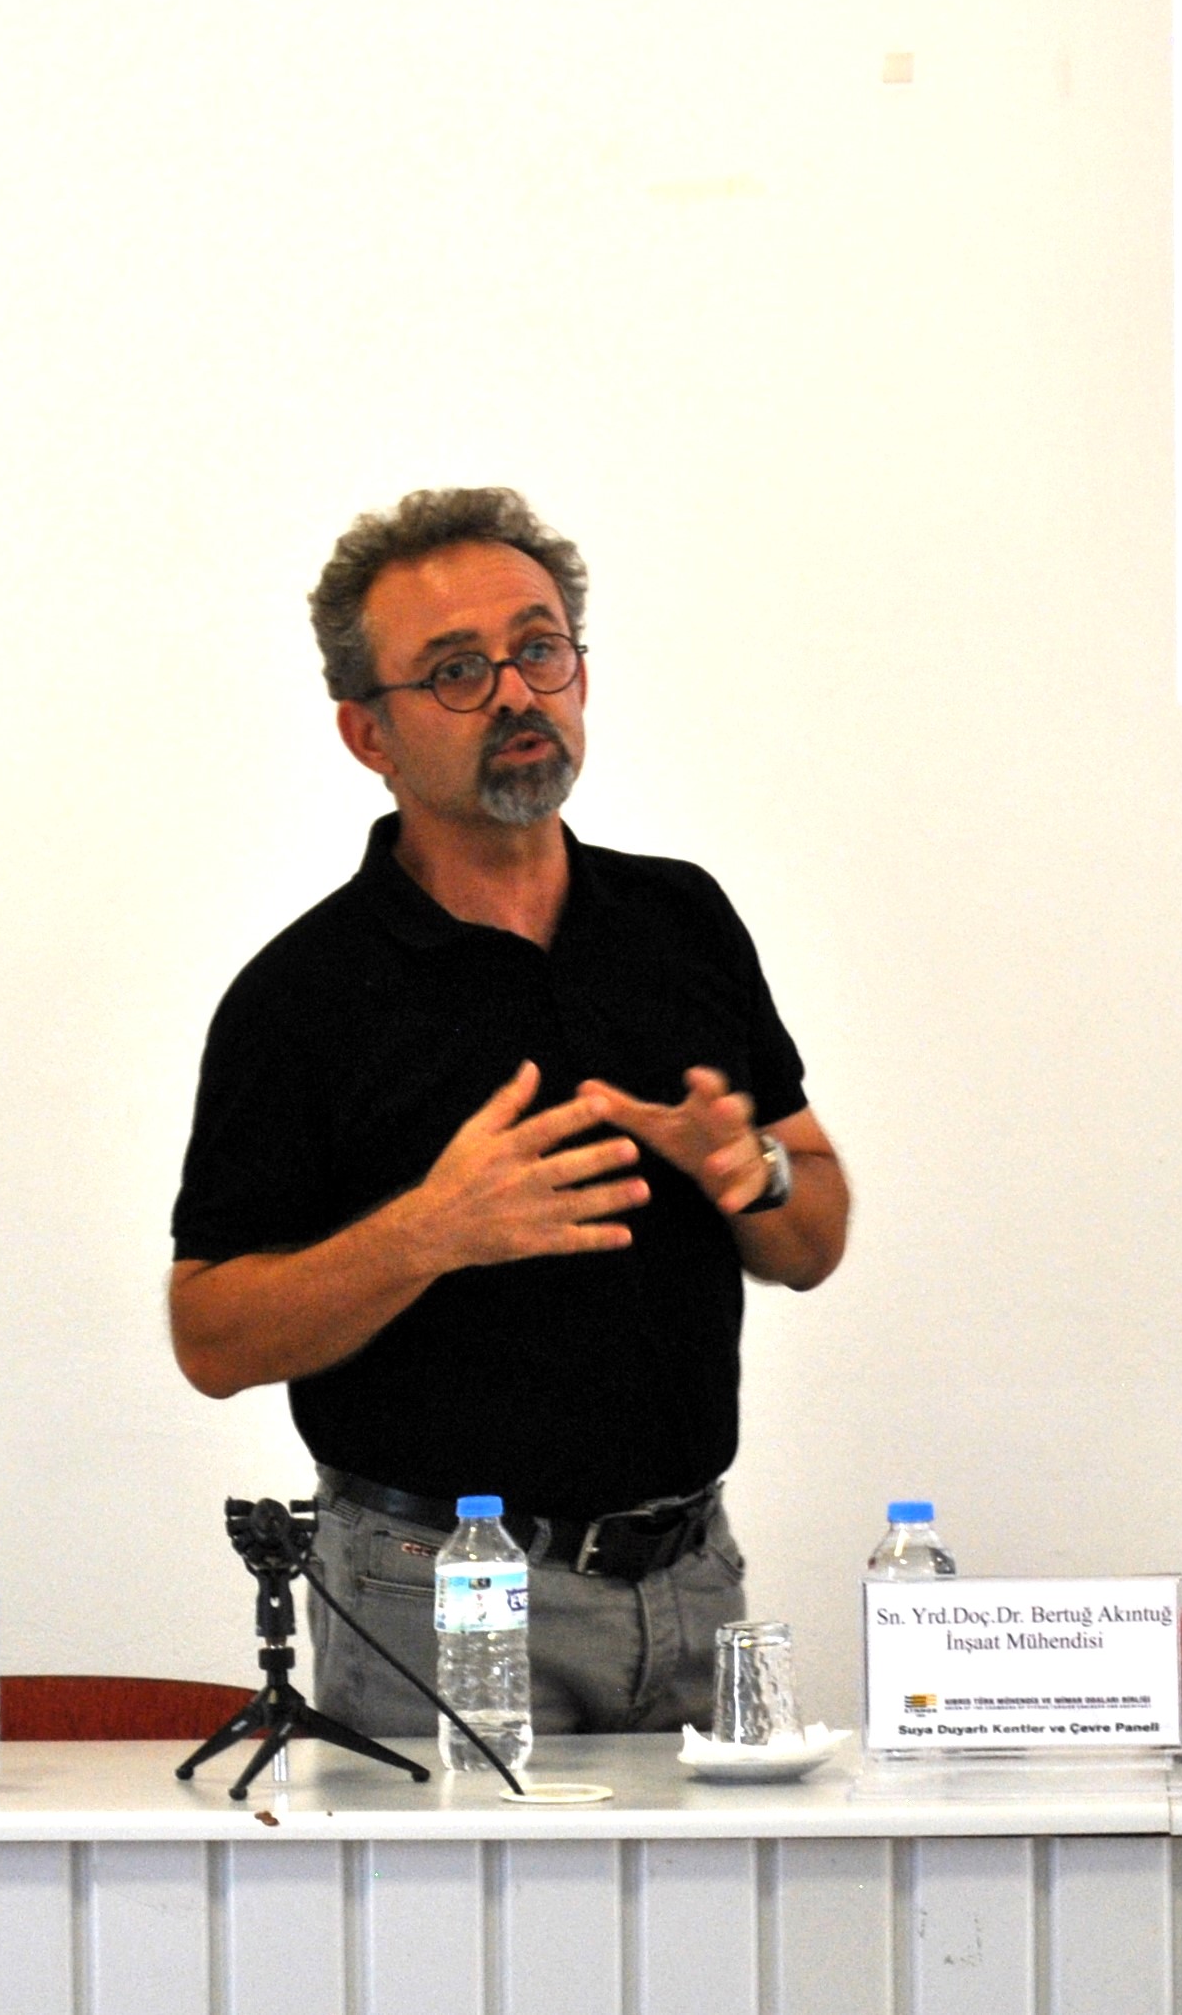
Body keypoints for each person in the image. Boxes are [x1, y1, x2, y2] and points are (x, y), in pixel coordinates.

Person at [168, 487, 849, 1741]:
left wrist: (751, 1170)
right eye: (456, 672)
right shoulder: (302, 997)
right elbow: (209, 1337)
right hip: (436, 1594)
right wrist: (427, 1233)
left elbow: (814, 1236)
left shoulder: (681, 922)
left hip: (692, 1577)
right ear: (367, 734)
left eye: (539, 650)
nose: (517, 696)